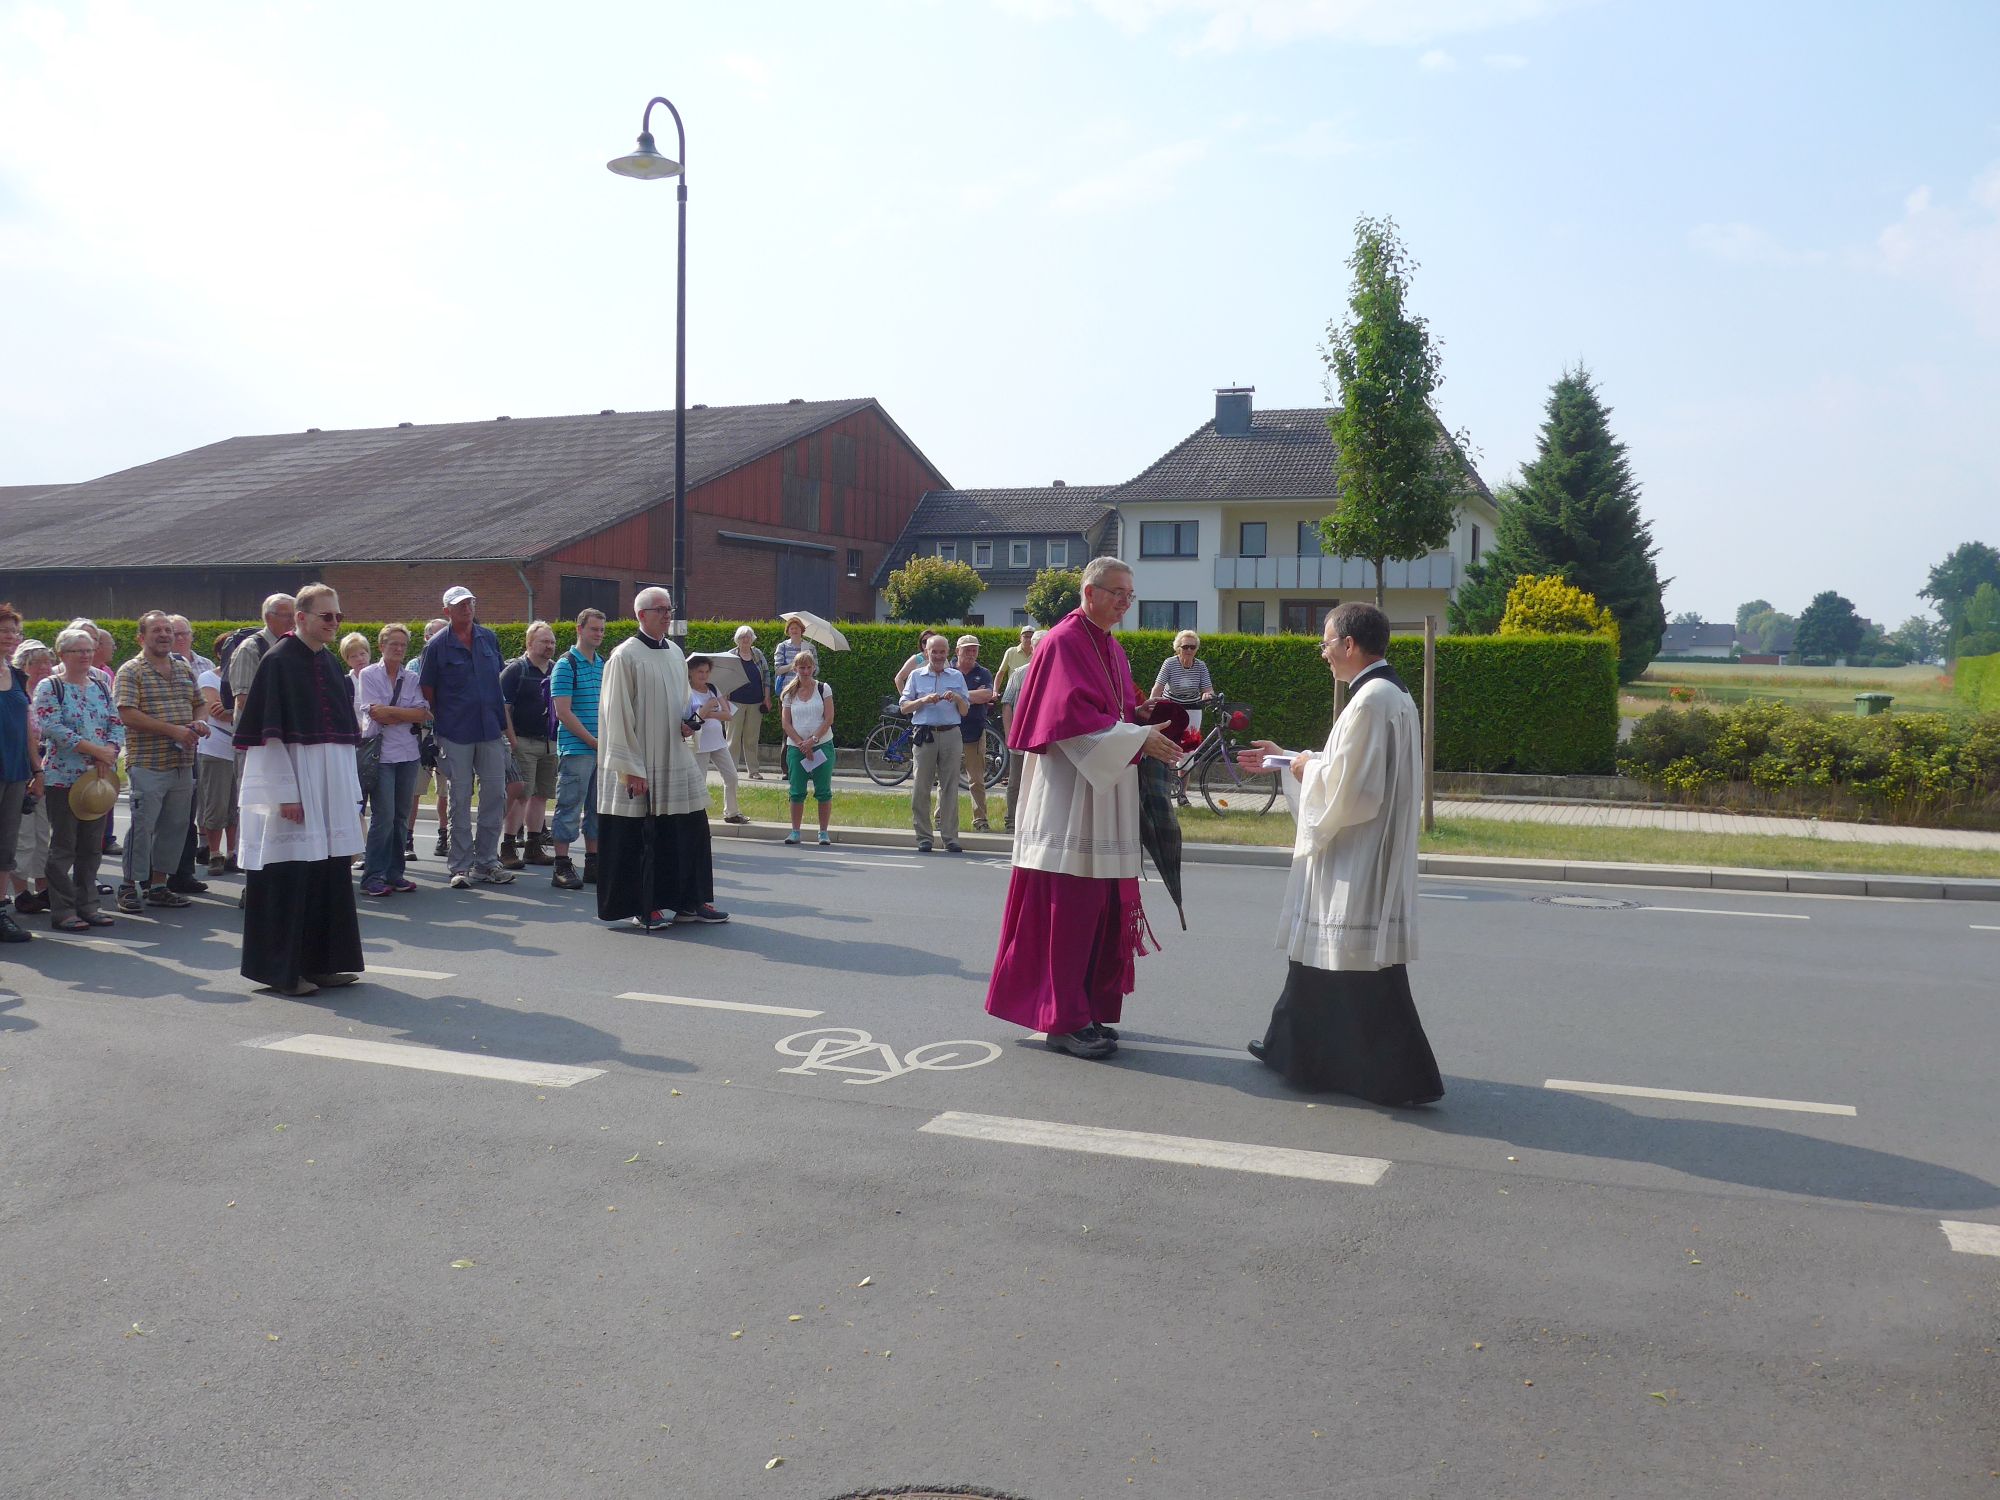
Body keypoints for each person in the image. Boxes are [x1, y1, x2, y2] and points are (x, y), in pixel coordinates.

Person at [1236, 603, 1441, 1106]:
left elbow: (1353, 791)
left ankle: (1400, 1078)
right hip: (1367, 845)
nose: (1323, 653)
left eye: (1326, 643)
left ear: (1349, 644)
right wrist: (1288, 759)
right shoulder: (1389, 693)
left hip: (1358, 852)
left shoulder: (1371, 700)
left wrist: (1305, 769)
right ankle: (1292, 1050)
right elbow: (1348, 766)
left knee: (1360, 971)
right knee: (1319, 961)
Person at [984, 557, 1182, 1060]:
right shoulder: (1062, 642)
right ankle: (1062, 1020)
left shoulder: (1111, 646)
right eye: (1117, 592)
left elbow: (1109, 712)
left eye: (1130, 594)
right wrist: (1136, 738)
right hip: (1069, 795)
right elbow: (1067, 719)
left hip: (1106, 790)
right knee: (1069, 910)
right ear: (1089, 592)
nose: (1125, 602)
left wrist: (1140, 718)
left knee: (1100, 910)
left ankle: (1088, 1009)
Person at [234, 582, 365, 997]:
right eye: (327, 616)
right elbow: (268, 738)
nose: (334, 623)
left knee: (327, 875)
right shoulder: (278, 661)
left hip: (329, 788)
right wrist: (284, 794)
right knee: (289, 876)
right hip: (295, 788)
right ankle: (282, 971)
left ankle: (324, 964)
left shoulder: (327, 662)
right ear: (301, 618)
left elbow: (341, 739)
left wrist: (348, 793)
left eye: (339, 616)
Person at [594, 587, 727, 930]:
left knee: (689, 828)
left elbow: (682, 703)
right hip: (641, 761)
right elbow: (615, 715)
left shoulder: (675, 654)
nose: (668, 615)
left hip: (674, 755)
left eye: (670, 609)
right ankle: (644, 905)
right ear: (641, 615)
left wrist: (689, 722)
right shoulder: (624, 656)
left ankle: (690, 901)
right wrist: (630, 769)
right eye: (660, 610)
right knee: (641, 835)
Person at [419, 585, 515, 889]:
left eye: (470, 602)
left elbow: (497, 682)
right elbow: (427, 691)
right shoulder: (436, 645)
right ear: (446, 610)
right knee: (459, 799)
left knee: (495, 795)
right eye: (460, 604)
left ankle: (487, 863)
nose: (467, 608)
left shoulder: (488, 637)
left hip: (490, 730)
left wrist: (505, 728)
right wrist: (445, 721)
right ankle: (460, 866)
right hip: (455, 732)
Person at [112, 610, 205, 914]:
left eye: (168, 630)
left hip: (182, 762)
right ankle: (128, 886)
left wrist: (200, 723)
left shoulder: (183, 668)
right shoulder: (131, 670)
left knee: (174, 827)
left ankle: (158, 887)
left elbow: (200, 704)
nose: (165, 635)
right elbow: (127, 714)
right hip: (147, 762)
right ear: (141, 637)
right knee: (143, 827)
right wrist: (173, 730)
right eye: (157, 631)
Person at [32, 625, 124, 932]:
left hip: (97, 778)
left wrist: (109, 752)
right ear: (62, 654)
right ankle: (63, 909)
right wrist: (95, 750)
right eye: (77, 651)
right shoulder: (50, 686)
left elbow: (116, 722)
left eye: (88, 650)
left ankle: (89, 905)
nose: (85, 656)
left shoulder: (100, 685)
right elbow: (52, 727)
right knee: (64, 846)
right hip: (63, 777)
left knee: (91, 846)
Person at [354, 622, 430, 897]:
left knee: (400, 817)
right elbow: (376, 714)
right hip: (382, 755)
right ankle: (372, 876)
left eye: (402, 645)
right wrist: (405, 713)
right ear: (381, 646)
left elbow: (423, 714)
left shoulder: (412, 677)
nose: (399, 649)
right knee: (383, 816)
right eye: (393, 644)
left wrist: (393, 712)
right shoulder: (369, 675)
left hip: (409, 753)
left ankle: (395, 873)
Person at [549, 607, 606, 891]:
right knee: (569, 806)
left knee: (597, 808)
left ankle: (593, 862)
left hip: (601, 749)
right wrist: (592, 740)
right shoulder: (565, 664)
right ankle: (561, 865)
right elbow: (563, 712)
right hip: (576, 750)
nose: (599, 634)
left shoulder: (602, 664)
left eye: (602, 630)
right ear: (579, 629)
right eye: (594, 629)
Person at [899, 632, 969, 854]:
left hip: (951, 735)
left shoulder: (956, 676)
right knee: (921, 786)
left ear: (948, 653)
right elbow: (904, 707)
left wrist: (957, 698)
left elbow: (965, 711)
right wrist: (923, 700)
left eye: (942, 652)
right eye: (934, 652)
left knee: (950, 787)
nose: (938, 656)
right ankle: (924, 837)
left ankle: (950, 837)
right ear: (926, 652)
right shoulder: (916, 676)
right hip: (925, 735)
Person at [498, 621, 560, 869]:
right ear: (530, 643)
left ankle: (533, 848)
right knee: (521, 796)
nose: (550, 646)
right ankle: (508, 847)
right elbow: (503, 709)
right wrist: (513, 741)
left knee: (541, 795)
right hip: (522, 742)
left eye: (552, 642)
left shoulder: (556, 669)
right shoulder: (515, 671)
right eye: (544, 641)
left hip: (549, 743)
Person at [0, 607, 38, 943]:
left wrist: (36, 769)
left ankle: (0, 912)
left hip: (14, 772)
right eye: (4, 630)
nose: (11, 637)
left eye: (15, 631)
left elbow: (26, 727)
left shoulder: (16, 675)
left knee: (6, 846)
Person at [9, 641, 54, 915]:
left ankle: (43, 887)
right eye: (37, 663)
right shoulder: (18, 696)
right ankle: (20, 891)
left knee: (42, 833)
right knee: (23, 836)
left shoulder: (48, 693)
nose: (44, 668)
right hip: (24, 770)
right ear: (23, 665)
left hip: (45, 771)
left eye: (47, 662)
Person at [194, 636, 242, 876]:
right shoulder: (208, 677)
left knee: (236, 805)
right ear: (219, 654)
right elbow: (216, 711)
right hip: (216, 749)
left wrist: (232, 709)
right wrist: (242, 708)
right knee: (216, 804)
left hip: (240, 749)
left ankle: (233, 853)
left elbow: (229, 710)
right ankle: (214, 853)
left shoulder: (246, 677)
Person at [779, 648, 835, 846]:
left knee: (823, 790)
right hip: (796, 748)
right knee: (796, 791)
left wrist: (813, 740)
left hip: (822, 745)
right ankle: (795, 831)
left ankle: (823, 832)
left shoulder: (823, 688)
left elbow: (829, 718)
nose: (805, 671)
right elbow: (786, 723)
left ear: (813, 668)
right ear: (795, 668)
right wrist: (801, 744)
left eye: (808, 667)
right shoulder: (789, 693)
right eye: (801, 667)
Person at [685, 656, 745, 824]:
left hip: (718, 742)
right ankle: (697, 817)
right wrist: (706, 708)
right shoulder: (687, 692)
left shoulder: (713, 688)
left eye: (706, 672)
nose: (704, 675)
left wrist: (707, 712)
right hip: (699, 744)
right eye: (700, 672)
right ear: (691, 672)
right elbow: (690, 722)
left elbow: (728, 715)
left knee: (731, 776)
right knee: (699, 782)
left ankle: (731, 813)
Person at [993, 624, 1037, 833]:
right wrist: (1010, 734)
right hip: (1021, 736)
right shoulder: (1019, 674)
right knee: (1015, 781)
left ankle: (1034, 823)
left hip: (1044, 740)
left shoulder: (1057, 673)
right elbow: (1007, 703)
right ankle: (1011, 821)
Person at [952, 634, 998, 833]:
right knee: (947, 778)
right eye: (967, 649)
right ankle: (941, 818)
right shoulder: (948, 671)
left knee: (977, 779)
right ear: (957, 651)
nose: (971, 653)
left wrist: (957, 695)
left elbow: (987, 695)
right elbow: (944, 696)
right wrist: (973, 695)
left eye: (974, 649)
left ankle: (980, 820)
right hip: (950, 730)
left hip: (976, 731)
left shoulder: (983, 673)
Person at [414, 617, 450, 858]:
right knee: (415, 789)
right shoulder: (414, 666)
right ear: (427, 638)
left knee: (446, 790)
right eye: (436, 635)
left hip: (447, 733)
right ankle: (407, 839)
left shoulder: (452, 664)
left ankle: (444, 835)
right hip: (423, 733)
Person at [726, 625, 772, 779]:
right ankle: (731, 771)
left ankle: (753, 771)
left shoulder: (758, 654)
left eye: (748, 636)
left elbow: (766, 675)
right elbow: (723, 678)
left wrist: (767, 697)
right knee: (732, 738)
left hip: (756, 702)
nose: (745, 639)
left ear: (752, 639)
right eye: (742, 637)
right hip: (734, 702)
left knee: (751, 738)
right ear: (737, 639)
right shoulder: (730, 655)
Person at [771, 615, 808, 701]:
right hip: (787, 690)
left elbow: (816, 670)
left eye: (797, 628)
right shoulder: (782, 646)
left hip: (806, 689)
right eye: (792, 628)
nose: (794, 630)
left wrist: (807, 666)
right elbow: (778, 670)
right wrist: (794, 665)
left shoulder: (809, 647)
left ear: (801, 630)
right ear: (788, 631)